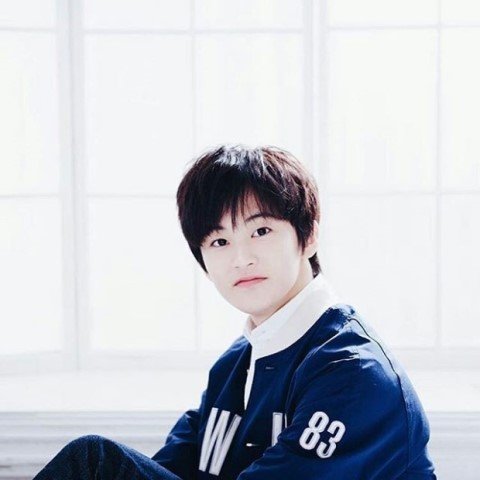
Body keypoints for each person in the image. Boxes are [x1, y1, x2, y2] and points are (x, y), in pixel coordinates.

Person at [33, 145, 437, 479]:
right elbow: (165, 469)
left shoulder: (355, 372)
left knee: (94, 461)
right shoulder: (235, 366)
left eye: (261, 231)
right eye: (219, 242)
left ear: (309, 234)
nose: (241, 258)